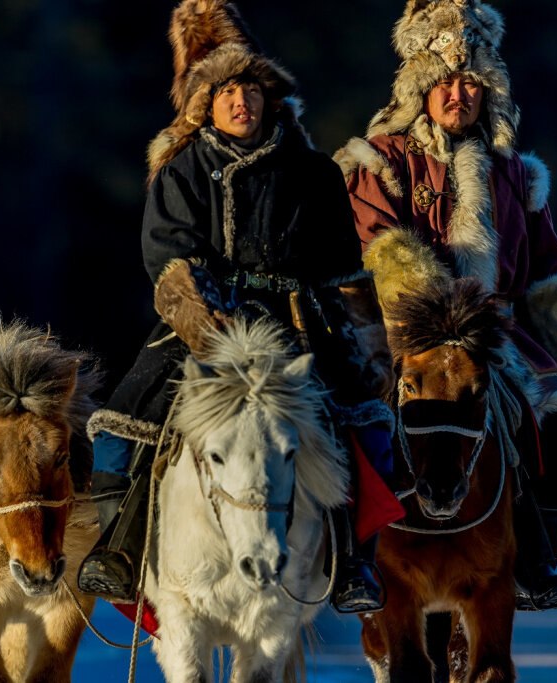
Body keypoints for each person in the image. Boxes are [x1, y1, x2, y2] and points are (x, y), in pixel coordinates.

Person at [77, 0, 403, 614]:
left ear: (268, 98)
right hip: (203, 321)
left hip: (298, 318)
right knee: (123, 420)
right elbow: (169, 262)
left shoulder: (311, 172)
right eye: (226, 90)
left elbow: (344, 268)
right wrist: (208, 325)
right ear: (207, 103)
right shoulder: (183, 170)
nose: (240, 101)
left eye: (251, 88)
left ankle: (357, 562)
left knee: (365, 418)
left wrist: (368, 342)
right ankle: (118, 550)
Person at [334, 0, 557, 611]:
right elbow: (378, 246)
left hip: (500, 331)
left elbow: (547, 267)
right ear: (420, 90)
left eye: (472, 83)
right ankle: (351, 561)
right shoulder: (380, 160)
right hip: (401, 327)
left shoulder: (515, 172)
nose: (459, 95)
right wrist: (440, 313)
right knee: (358, 417)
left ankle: (535, 562)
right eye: (445, 83)